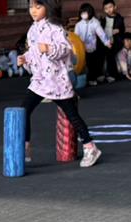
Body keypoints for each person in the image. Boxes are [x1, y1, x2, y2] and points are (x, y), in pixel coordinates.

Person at [17, 0, 102, 167]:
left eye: (38, 7)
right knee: (23, 111)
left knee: (72, 116)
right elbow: (33, 52)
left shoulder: (56, 28)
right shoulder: (32, 29)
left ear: (47, 7)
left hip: (57, 81)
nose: (33, 10)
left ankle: (90, 147)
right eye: (31, 7)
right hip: (40, 81)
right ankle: (25, 147)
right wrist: (25, 58)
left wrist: (49, 49)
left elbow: (65, 49)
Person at [75, 3, 111, 85]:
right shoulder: (78, 25)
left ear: (90, 12)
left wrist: (106, 42)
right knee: (86, 64)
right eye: (82, 13)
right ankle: (90, 78)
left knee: (94, 62)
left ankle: (96, 76)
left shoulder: (95, 22)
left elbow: (101, 33)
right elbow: (76, 37)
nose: (83, 14)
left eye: (85, 12)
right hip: (81, 48)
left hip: (92, 47)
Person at [98, 0, 126, 81]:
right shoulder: (104, 19)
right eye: (106, 8)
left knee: (110, 54)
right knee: (99, 53)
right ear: (104, 10)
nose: (108, 10)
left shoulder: (119, 18)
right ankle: (100, 74)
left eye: (110, 7)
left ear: (115, 7)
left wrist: (118, 30)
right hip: (105, 41)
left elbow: (122, 29)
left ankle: (112, 75)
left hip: (116, 41)